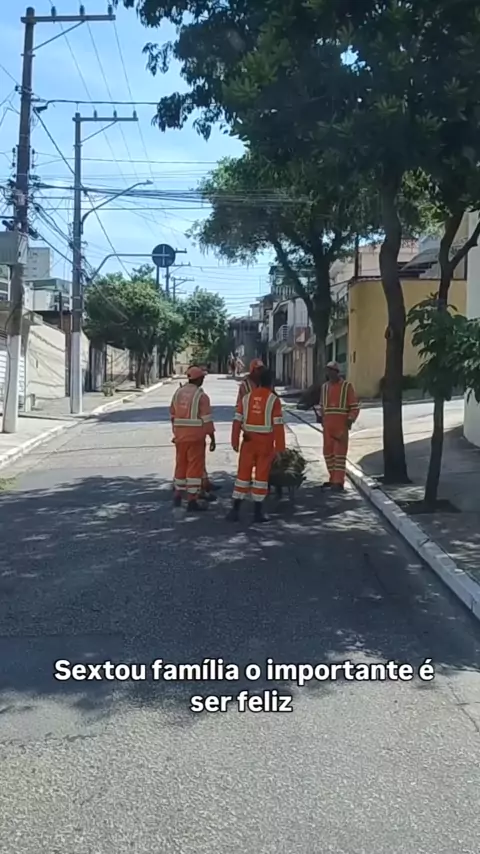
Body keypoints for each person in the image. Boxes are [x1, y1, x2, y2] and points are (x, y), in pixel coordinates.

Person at [227, 367, 286, 524]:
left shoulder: (247, 398)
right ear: (271, 382)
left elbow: (237, 420)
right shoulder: (273, 400)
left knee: (242, 475)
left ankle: (235, 510)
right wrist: (280, 449)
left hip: (248, 442)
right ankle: (257, 512)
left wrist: (234, 441)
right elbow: (278, 426)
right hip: (265, 445)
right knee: (261, 477)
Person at [170, 366, 215, 512]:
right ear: (199, 379)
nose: (203, 380)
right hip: (195, 438)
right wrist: (212, 437)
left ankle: (177, 495)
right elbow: (207, 420)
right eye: (202, 377)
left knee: (180, 464)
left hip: (180, 437)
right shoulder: (201, 396)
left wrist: (175, 433)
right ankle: (192, 500)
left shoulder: (178, 393)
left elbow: (172, 415)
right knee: (194, 468)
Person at [315, 361, 359, 491]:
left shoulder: (346, 386)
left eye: (331, 371)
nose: (329, 373)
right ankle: (332, 478)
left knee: (339, 455)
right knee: (328, 454)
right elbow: (322, 406)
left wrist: (350, 419)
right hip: (327, 426)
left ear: (337, 372)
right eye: (328, 371)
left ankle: (338, 481)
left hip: (341, 426)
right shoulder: (324, 387)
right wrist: (320, 416)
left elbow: (354, 407)